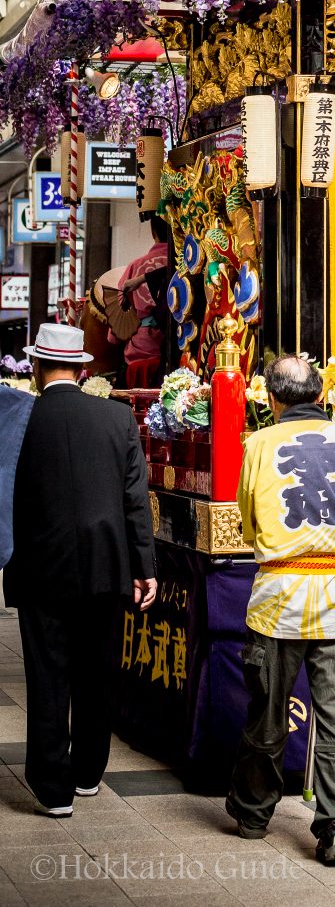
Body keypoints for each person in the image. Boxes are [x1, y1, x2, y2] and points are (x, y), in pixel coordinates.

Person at [226, 354, 335, 865]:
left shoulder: (258, 443)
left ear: (272, 399)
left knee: (267, 712)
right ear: (320, 394)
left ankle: (253, 815)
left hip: (279, 598)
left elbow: (248, 519)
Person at [3, 322, 156, 816]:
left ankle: (53, 789)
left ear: (37, 367)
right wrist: (144, 566)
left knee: (48, 674)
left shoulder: (19, 421)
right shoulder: (116, 419)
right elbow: (136, 500)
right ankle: (89, 772)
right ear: (83, 367)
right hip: (106, 565)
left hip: (39, 566)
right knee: (96, 671)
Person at [108, 214, 172, 389]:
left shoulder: (136, 266)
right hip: (177, 344)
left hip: (142, 349)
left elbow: (118, 320)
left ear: (153, 232)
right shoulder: (183, 263)